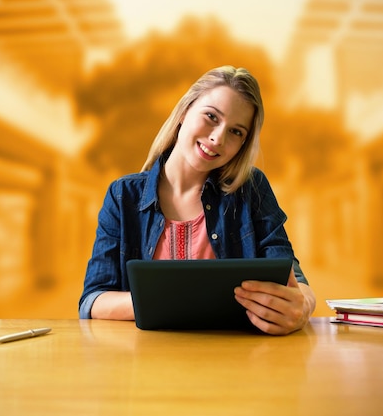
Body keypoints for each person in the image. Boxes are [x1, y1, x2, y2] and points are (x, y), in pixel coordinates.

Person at [79, 65, 316, 335]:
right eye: (211, 117)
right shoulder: (123, 196)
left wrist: (305, 306)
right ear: (184, 112)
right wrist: (176, 301)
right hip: (145, 366)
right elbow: (92, 301)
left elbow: (294, 279)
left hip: (237, 365)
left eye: (236, 132)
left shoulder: (251, 188)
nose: (217, 138)